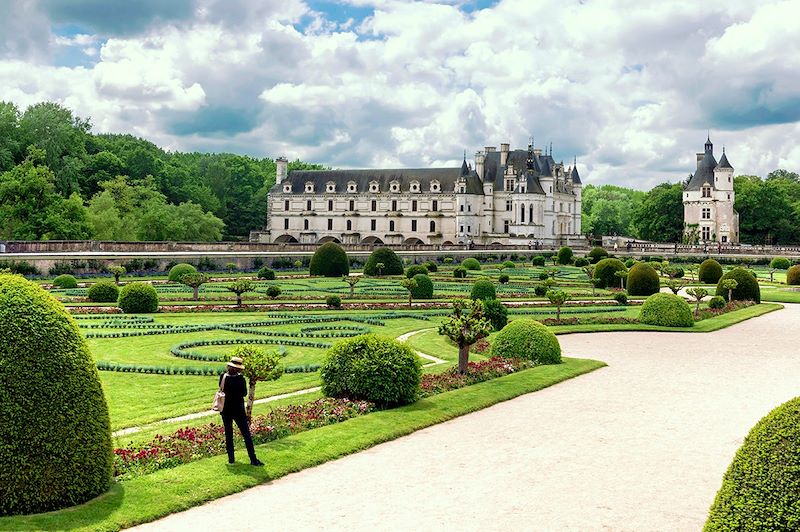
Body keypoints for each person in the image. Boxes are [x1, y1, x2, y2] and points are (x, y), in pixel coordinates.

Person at [219, 356, 263, 466]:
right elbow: (244, 393)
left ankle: (231, 460)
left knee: (228, 434)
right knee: (246, 435)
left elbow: (221, 388)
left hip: (225, 409)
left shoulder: (223, 377)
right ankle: (253, 459)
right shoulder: (240, 379)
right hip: (238, 410)